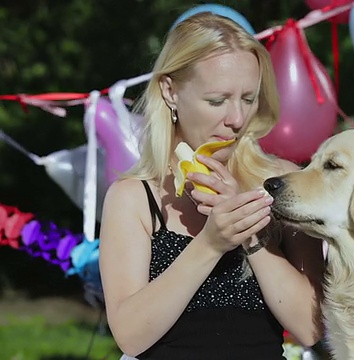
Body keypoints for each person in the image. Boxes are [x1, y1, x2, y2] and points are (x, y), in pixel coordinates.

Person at [98, 12, 326, 360]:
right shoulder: (133, 197)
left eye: (248, 99)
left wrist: (250, 233)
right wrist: (210, 244)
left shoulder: (280, 181)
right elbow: (130, 336)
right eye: (217, 101)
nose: (236, 119)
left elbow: (310, 327)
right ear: (170, 91)